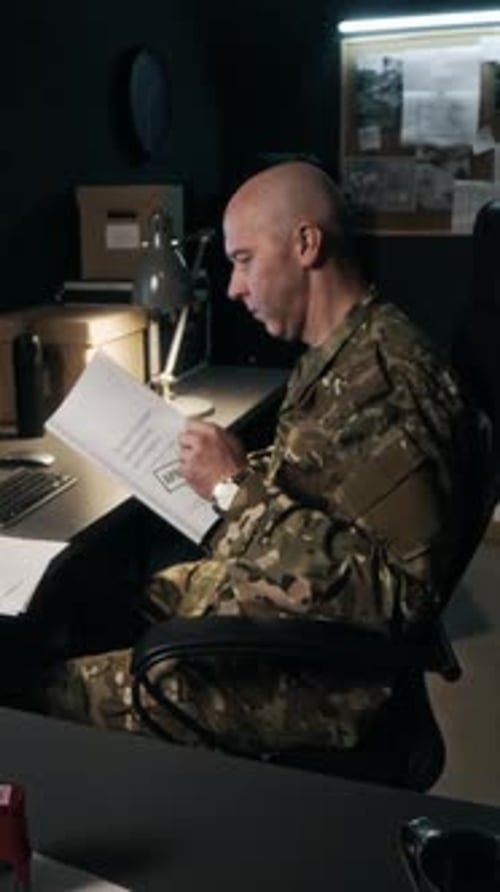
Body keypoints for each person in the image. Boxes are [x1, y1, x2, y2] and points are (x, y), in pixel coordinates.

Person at [40, 161, 479, 755]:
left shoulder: (389, 382)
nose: (233, 288)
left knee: (48, 693)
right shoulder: (345, 349)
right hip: (275, 607)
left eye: (244, 260)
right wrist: (238, 471)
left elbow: (398, 601)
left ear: (306, 244)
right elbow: (331, 482)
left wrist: (233, 488)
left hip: (318, 678)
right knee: (86, 609)